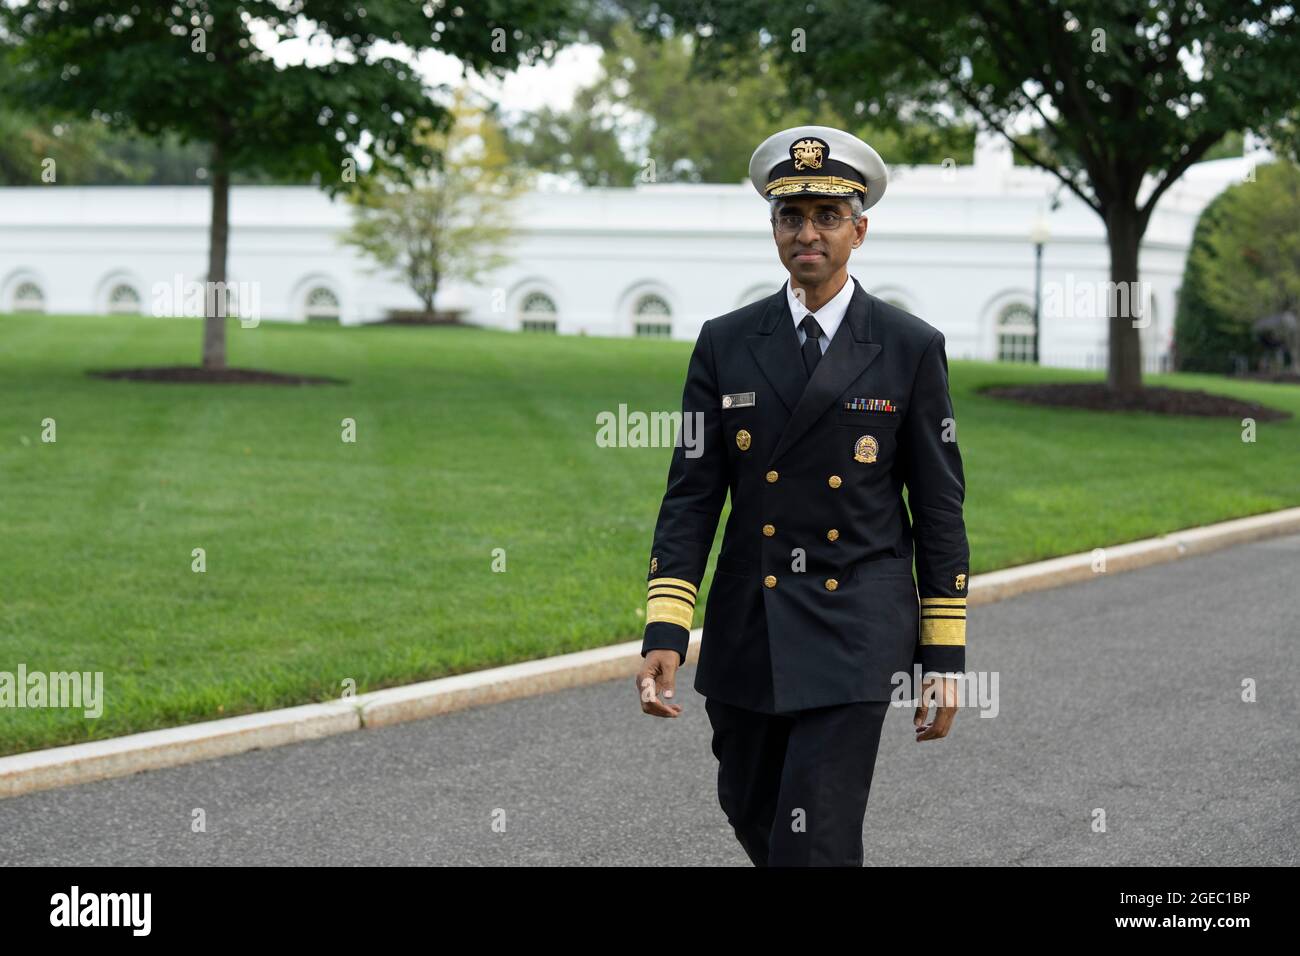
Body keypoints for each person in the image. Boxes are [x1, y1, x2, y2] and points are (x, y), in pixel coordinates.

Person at [633, 125, 970, 866]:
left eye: (826, 215)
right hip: (750, 624)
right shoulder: (725, 343)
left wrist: (942, 654)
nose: (807, 232)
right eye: (791, 216)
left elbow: (939, 507)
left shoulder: (910, 346)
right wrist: (665, 631)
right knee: (751, 810)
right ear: (774, 228)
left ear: (860, 229)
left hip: (856, 625)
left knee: (814, 838)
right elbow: (691, 495)